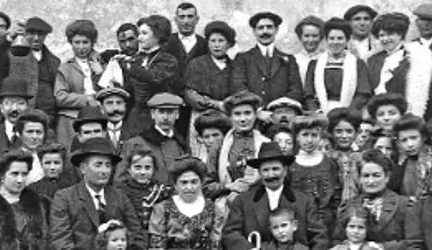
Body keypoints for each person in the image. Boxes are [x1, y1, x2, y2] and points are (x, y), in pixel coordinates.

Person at [222, 142, 329, 250]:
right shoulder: (243, 201)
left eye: (275, 169)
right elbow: (230, 232)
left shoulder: (303, 201)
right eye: (266, 170)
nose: (271, 174)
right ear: (259, 173)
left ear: (285, 171)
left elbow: (319, 236)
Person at [50, 137, 151, 250]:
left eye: (108, 165)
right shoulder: (65, 198)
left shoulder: (119, 196)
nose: (104, 170)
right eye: (98, 165)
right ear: (83, 168)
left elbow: (137, 235)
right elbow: (61, 243)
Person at [148, 156, 227, 250]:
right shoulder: (161, 209)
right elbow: (156, 247)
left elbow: (216, 247)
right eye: (183, 183)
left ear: (202, 183)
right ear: (175, 185)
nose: (189, 187)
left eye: (194, 182)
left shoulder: (213, 209)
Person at [337, 149, 411, 250]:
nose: (370, 181)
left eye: (376, 175)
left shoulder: (403, 205)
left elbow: (412, 242)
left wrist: (380, 249)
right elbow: (337, 241)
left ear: (387, 177)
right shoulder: (349, 206)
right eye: (366, 176)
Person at [116, 15, 180, 139]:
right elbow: (129, 89)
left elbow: (154, 77)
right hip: (136, 116)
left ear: (158, 36)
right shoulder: (136, 60)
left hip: (160, 115)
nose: (139, 38)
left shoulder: (168, 60)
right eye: (139, 33)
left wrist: (129, 67)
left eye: (144, 33)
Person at [230, 12, 303, 113]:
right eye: (260, 28)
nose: (265, 32)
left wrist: (279, 107)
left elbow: (296, 89)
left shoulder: (289, 59)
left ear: (276, 30)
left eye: (269, 27)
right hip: (254, 114)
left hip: (281, 114)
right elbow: (239, 87)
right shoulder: (242, 59)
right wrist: (257, 110)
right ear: (254, 32)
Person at [366, 13, 432, 119]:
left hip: (404, 115)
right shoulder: (373, 60)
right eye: (381, 35)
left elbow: (419, 92)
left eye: (390, 34)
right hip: (378, 116)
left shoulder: (415, 58)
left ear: (401, 35)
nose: (385, 39)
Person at [304, 18, 373, 114]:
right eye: (331, 38)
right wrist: (317, 112)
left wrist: (348, 112)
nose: (335, 42)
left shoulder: (358, 64)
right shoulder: (314, 64)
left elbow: (363, 93)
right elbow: (309, 94)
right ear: (326, 40)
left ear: (347, 40)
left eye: (340, 38)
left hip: (349, 112)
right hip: (320, 113)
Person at [183, 20, 235, 148]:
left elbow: (237, 94)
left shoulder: (235, 67)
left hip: (226, 116)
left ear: (229, 44)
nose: (216, 45)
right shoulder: (197, 64)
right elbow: (189, 93)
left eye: (221, 41)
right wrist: (210, 103)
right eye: (213, 41)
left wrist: (222, 105)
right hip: (201, 116)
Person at [288, 114, 341, 239]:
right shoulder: (290, 164)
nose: (310, 140)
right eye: (305, 135)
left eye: (314, 135)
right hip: (298, 221)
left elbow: (336, 193)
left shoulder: (330, 163)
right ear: (297, 138)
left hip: (326, 221)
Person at [54, 19, 104, 147]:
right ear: (71, 43)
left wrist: (100, 74)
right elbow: (60, 97)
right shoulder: (65, 68)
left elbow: (111, 91)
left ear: (92, 43)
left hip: (98, 117)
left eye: (85, 42)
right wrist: (86, 99)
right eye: (77, 42)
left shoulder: (103, 64)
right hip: (71, 119)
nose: (81, 47)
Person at [121, 93, 189, 185]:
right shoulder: (135, 143)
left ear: (177, 115)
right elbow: (120, 180)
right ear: (153, 114)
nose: (165, 117)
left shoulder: (180, 145)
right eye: (161, 112)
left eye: (170, 112)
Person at [116, 145, 166, 228]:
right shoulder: (121, 191)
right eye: (137, 168)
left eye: (147, 168)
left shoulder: (161, 191)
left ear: (154, 169)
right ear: (129, 169)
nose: (143, 172)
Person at [389, 114, 432, 200]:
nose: (410, 144)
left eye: (414, 138)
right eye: (404, 140)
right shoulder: (400, 164)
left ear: (423, 137)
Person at [0, 76, 34, 154]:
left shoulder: (38, 134)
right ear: (1, 108)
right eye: (8, 103)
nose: (14, 109)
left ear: (28, 107)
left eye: (20, 103)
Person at [96, 87, 133, 155]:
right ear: (101, 108)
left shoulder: (134, 132)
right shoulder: (95, 133)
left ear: (125, 106)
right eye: (110, 103)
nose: (115, 108)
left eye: (119, 103)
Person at [293, 16, 325, 84]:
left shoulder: (325, 59)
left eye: (315, 36)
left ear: (321, 37)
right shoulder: (293, 60)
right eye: (306, 36)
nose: (310, 40)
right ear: (300, 37)